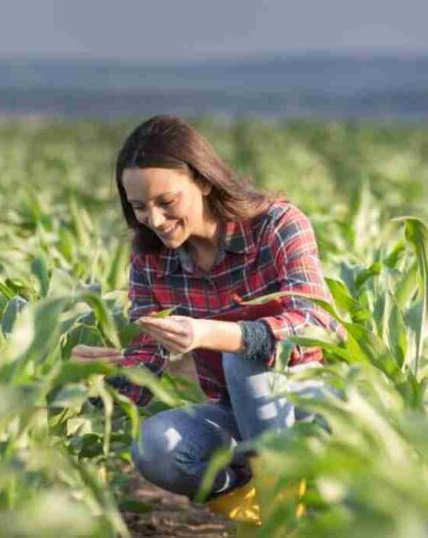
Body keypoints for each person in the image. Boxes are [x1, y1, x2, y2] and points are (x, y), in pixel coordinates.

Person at [71, 115, 344, 524]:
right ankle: (259, 501)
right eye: (139, 207)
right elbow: (144, 369)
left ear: (203, 181)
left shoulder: (277, 226)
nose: (155, 220)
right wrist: (77, 376)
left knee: (241, 353)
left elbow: (316, 324)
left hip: (311, 405)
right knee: (155, 447)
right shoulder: (151, 259)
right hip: (237, 416)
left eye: (167, 202)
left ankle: (284, 512)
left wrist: (211, 333)